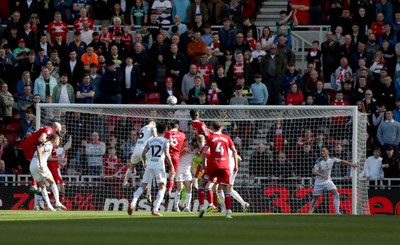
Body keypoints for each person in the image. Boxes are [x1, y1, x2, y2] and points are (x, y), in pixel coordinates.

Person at [128, 122, 174, 216]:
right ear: (165, 131)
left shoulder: (150, 140)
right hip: (159, 165)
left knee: (143, 186)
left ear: (156, 129)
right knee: (162, 187)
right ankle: (155, 209)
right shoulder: (165, 141)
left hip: (150, 165)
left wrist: (145, 162)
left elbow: (143, 153)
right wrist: (171, 166)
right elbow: (167, 154)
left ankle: (133, 203)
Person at [197, 120, 238, 219]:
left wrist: (203, 164)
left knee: (201, 185)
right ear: (222, 128)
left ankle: (202, 206)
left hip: (213, 165)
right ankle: (228, 212)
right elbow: (234, 151)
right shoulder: (227, 137)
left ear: (212, 128)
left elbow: (204, 152)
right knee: (226, 190)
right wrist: (236, 165)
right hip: (224, 166)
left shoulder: (210, 138)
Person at [309, 146, 357, 214]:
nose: (322, 152)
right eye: (321, 151)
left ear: (327, 152)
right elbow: (313, 172)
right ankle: (310, 210)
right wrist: (322, 175)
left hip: (328, 181)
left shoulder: (332, 158)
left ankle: (337, 212)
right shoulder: (319, 161)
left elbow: (342, 161)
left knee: (336, 194)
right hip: (319, 182)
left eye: (323, 151)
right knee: (315, 199)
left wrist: (351, 164)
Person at [29, 134, 67, 211]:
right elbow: (40, 150)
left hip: (32, 166)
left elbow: (41, 151)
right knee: (53, 182)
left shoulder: (46, 144)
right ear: (55, 140)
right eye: (58, 140)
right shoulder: (49, 144)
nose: (59, 142)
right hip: (40, 164)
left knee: (43, 186)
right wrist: (40, 163)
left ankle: (49, 206)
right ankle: (57, 202)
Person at [123, 119, 157, 189]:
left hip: (136, 149)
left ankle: (125, 182)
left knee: (131, 167)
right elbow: (156, 137)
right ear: (153, 123)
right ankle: (148, 191)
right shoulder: (153, 127)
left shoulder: (142, 128)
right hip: (144, 150)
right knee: (148, 169)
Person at [164, 120, 187, 199]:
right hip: (175, 156)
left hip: (165, 155)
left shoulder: (166, 133)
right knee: (172, 175)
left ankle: (162, 189)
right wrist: (179, 153)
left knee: (161, 172)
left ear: (170, 126)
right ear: (178, 127)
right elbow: (186, 147)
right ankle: (169, 191)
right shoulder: (183, 134)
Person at [173, 138, 198, 212]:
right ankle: (176, 206)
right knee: (179, 188)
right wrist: (183, 152)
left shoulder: (195, 150)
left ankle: (187, 207)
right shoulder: (185, 149)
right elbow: (177, 156)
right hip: (179, 169)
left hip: (187, 171)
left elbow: (199, 154)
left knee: (189, 188)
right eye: (193, 145)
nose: (193, 147)